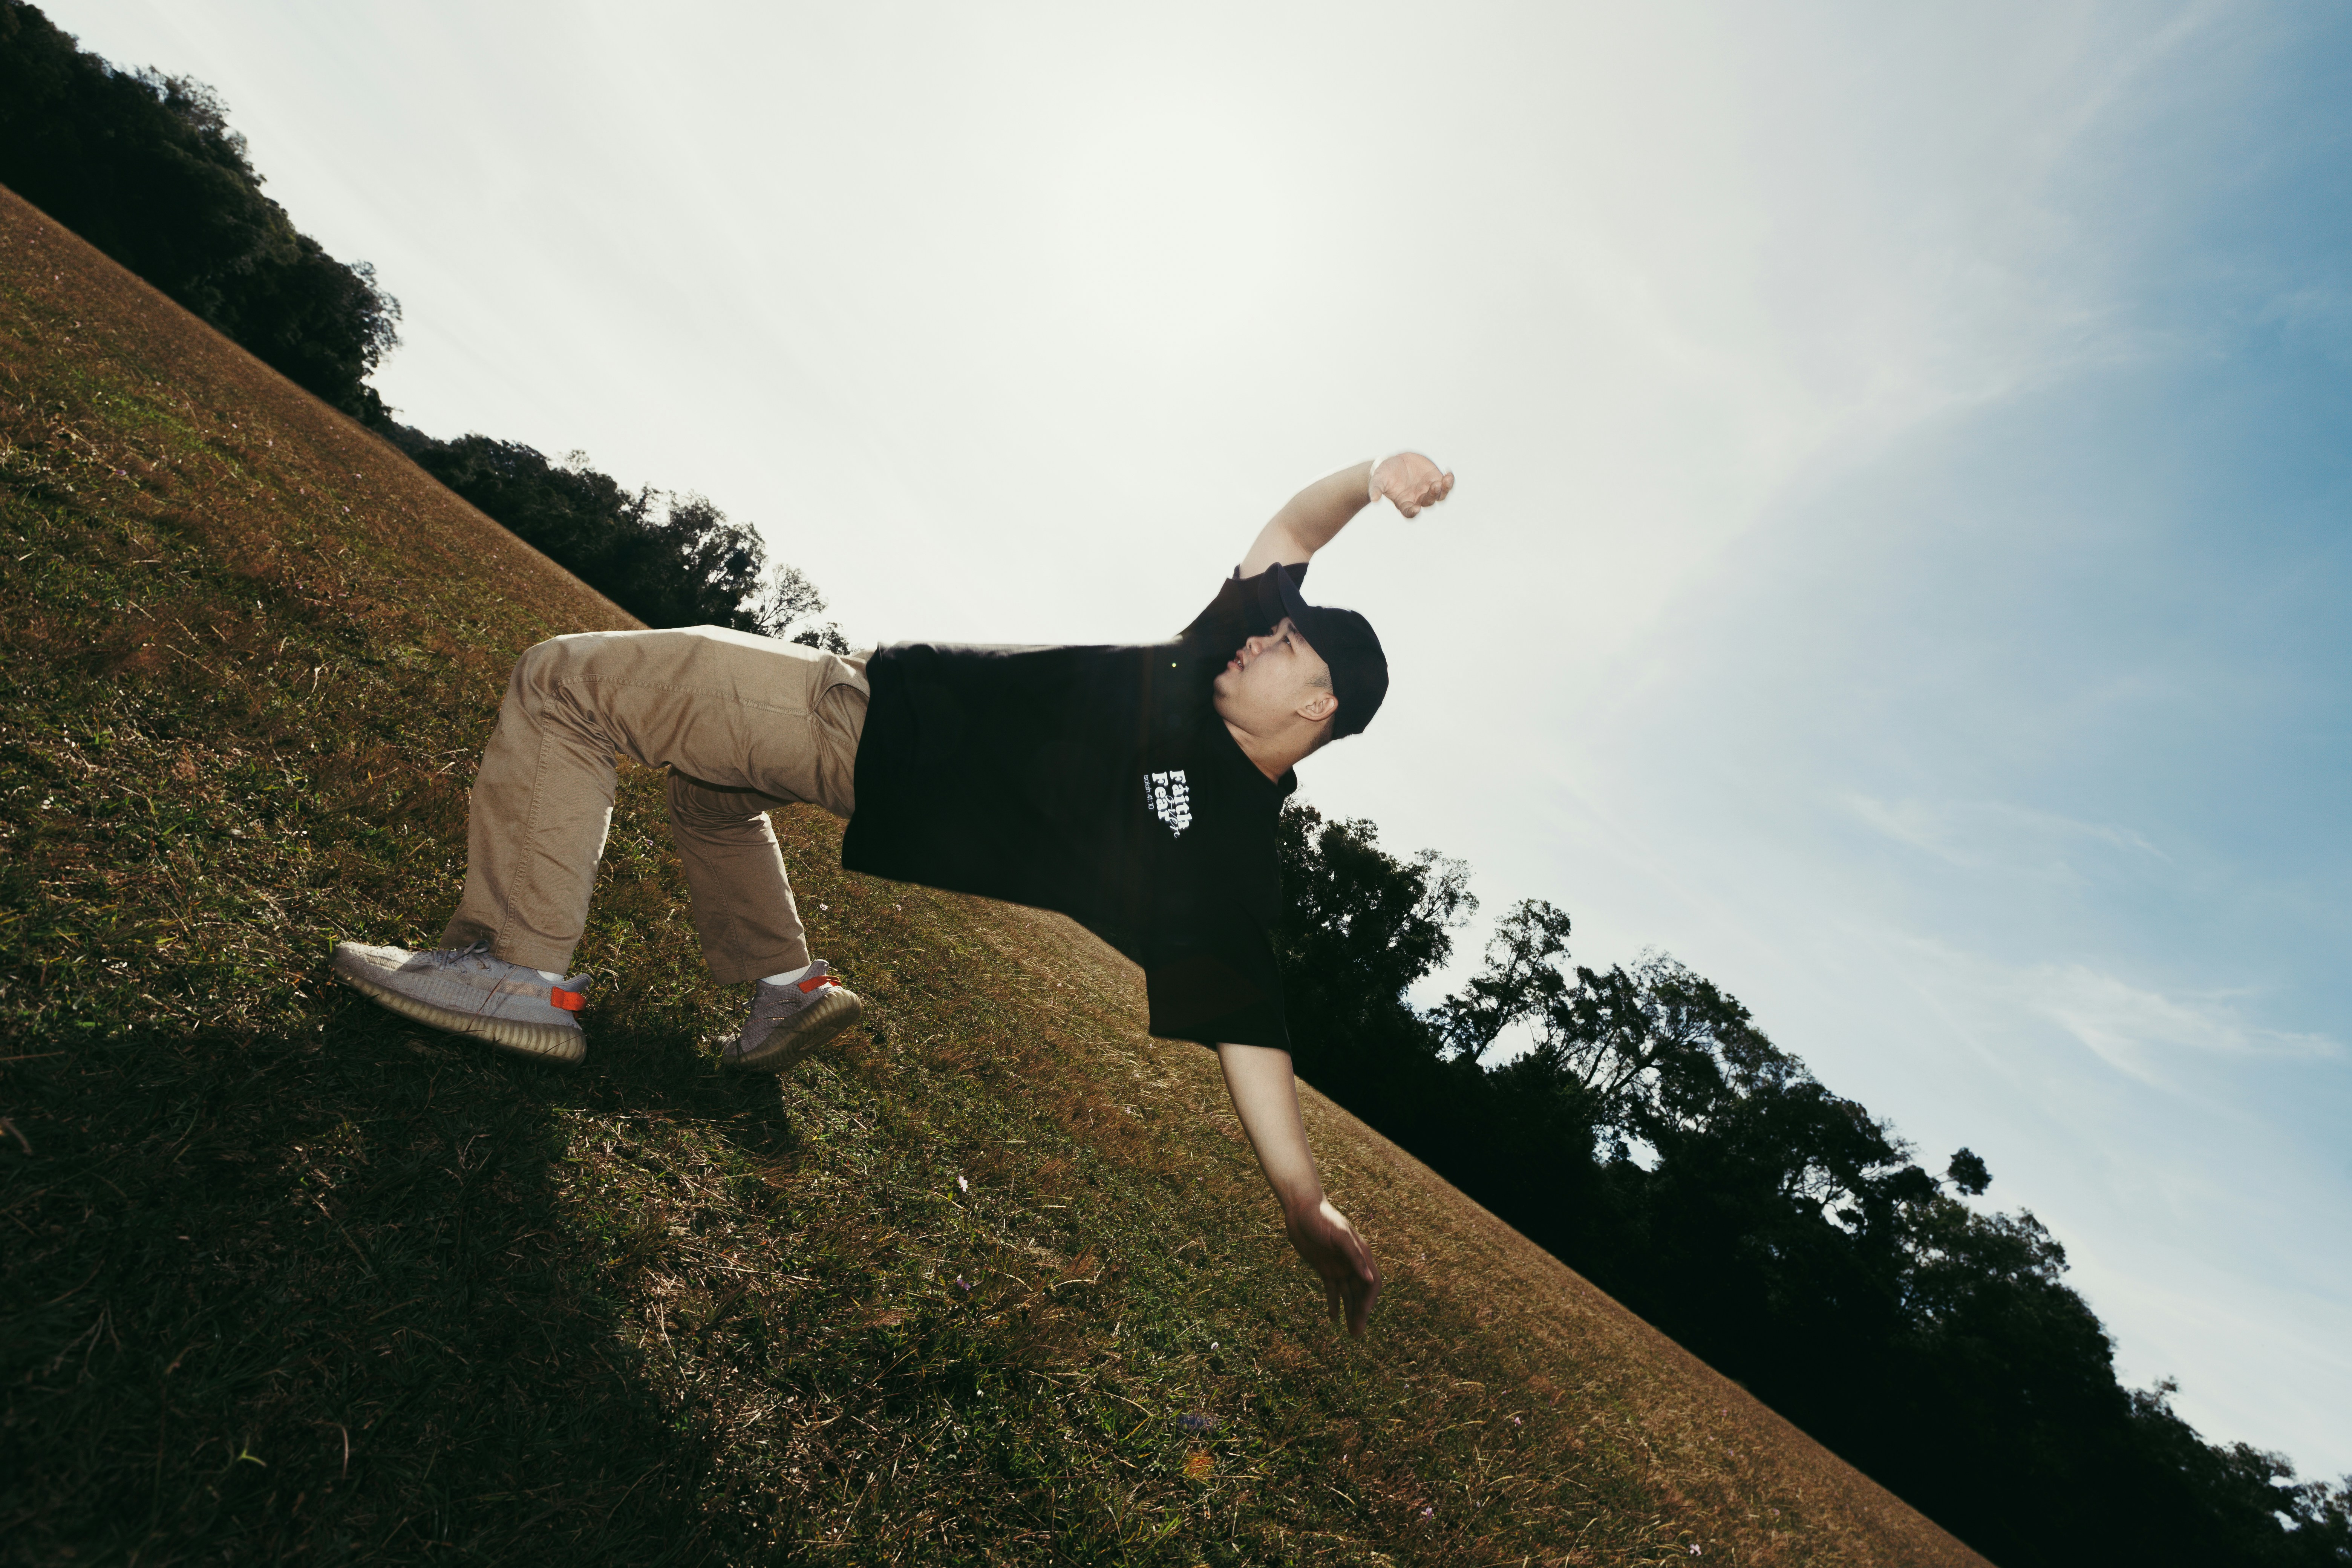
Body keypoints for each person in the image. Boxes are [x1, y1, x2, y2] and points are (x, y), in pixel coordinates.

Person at [332, 452, 1455, 1335]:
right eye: (1273, 626)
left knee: (565, 682)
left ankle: (513, 968)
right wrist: (1374, 477)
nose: (1259, 638)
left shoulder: (1224, 858)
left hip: (856, 728)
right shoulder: (1206, 661)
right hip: (867, 742)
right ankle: (783, 986)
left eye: (1285, 645)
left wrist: (1303, 1199)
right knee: (709, 794)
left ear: (1315, 709)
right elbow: (1296, 527)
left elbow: (1251, 1026)